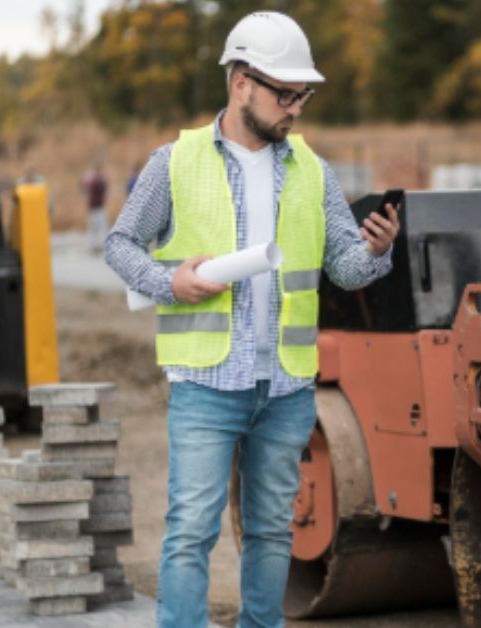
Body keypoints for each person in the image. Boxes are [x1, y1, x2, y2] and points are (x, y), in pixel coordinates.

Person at [104, 11, 399, 628]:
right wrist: (169, 280)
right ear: (241, 83)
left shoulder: (313, 171)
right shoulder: (175, 162)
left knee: (270, 530)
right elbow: (120, 244)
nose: (295, 108)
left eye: (303, 96)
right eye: (284, 94)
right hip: (206, 383)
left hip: (286, 387)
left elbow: (342, 269)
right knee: (190, 531)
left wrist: (374, 252)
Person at [81, 160, 108, 252]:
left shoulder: (96, 179)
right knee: (93, 228)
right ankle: (92, 245)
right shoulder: (93, 180)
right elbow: (84, 188)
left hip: (99, 207)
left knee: (102, 226)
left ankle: (102, 244)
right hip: (93, 207)